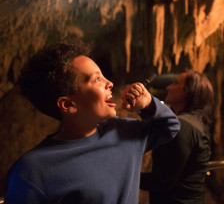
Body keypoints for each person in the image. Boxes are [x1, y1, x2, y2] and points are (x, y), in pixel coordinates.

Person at [4, 38, 180, 204]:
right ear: (68, 104)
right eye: (96, 79)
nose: (109, 83)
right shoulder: (32, 172)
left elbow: (170, 126)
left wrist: (148, 104)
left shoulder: (124, 132)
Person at [140, 70, 214, 204]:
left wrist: (123, 174)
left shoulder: (182, 126)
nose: (168, 87)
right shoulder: (196, 123)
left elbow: (162, 182)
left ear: (188, 91)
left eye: (175, 83)